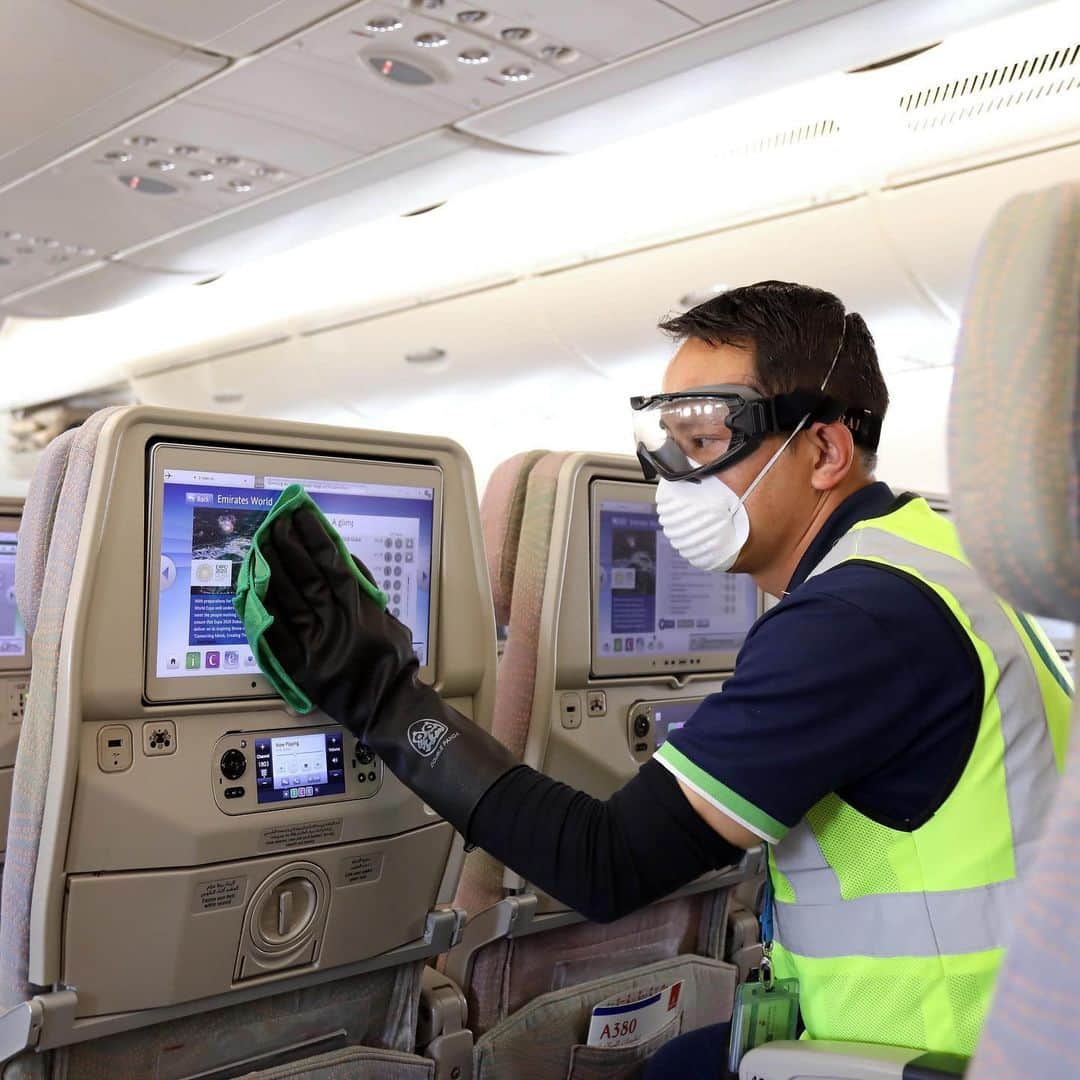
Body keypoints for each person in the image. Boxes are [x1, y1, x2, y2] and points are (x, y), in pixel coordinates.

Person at [255, 281, 1071, 1076]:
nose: (677, 475)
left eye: (710, 442)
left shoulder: (854, 619)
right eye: (672, 441)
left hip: (938, 1050)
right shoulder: (939, 554)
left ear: (825, 450)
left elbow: (604, 863)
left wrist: (381, 697)